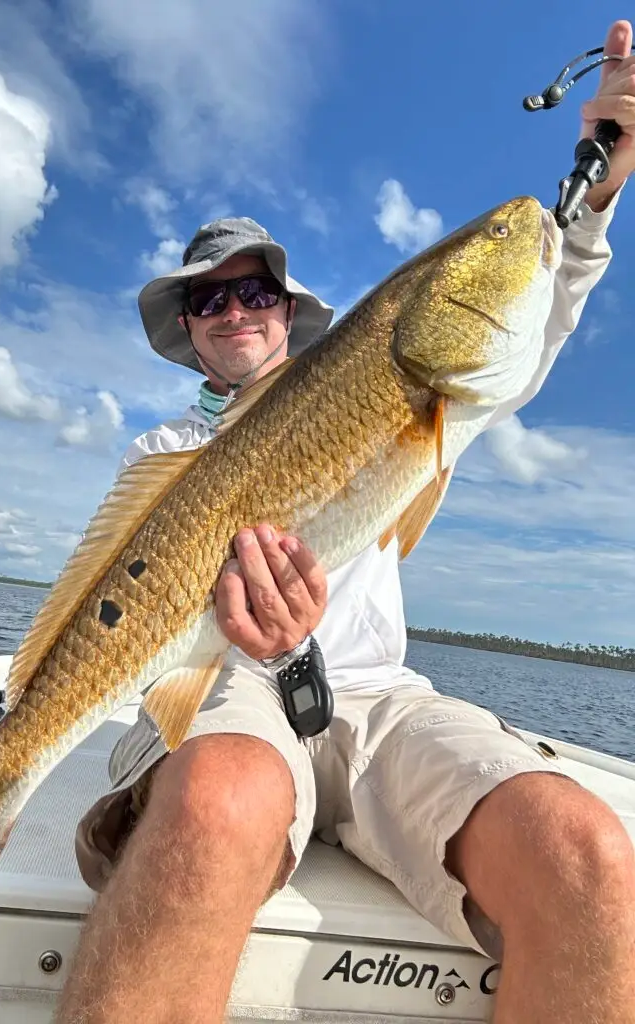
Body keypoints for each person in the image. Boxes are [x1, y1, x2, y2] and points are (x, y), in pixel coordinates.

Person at [57, 20, 635, 1024]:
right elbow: (146, 644)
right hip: (231, 697)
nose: (234, 307)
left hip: (375, 697)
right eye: (208, 300)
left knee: (587, 848)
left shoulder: (416, 391)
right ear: (188, 334)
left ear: (289, 312)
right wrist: (233, 636)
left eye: (256, 289)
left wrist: (597, 188)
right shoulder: (161, 457)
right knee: (210, 803)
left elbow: (529, 330)